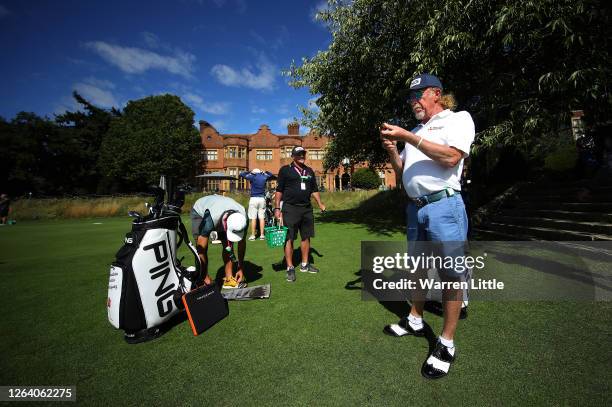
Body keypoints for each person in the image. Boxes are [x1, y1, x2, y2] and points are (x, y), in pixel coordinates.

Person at [380, 73, 475, 379]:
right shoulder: (418, 130)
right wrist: (395, 151)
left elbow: (450, 158)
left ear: (436, 93)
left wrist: (407, 136)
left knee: (450, 274)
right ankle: (415, 318)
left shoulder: (457, 119)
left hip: (444, 206)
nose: (413, 101)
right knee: (417, 269)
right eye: (410, 97)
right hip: (415, 208)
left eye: (418, 95)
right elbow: (403, 174)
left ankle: (446, 343)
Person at [274, 146, 326, 282]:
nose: (302, 156)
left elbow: (314, 189)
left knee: (306, 237)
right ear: (293, 156)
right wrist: (277, 209)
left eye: (303, 154)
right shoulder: (285, 170)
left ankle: (304, 264)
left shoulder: (309, 171)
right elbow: (279, 190)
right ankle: (290, 267)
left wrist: (320, 203)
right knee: (289, 238)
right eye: (299, 154)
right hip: (290, 208)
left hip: (306, 208)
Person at [191, 194, 248, 289]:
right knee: (200, 245)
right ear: (226, 224)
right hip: (200, 210)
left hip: (221, 209)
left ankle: (229, 279)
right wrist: (205, 275)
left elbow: (242, 243)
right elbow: (201, 247)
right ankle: (202, 277)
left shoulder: (243, 217)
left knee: (228, 243)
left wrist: (240, 268)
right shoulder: (211, 218)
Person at [239, 168, 273, 240]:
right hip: (262, 199)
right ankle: (262, 235)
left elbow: (241, 174)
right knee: (262, 218)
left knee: (253, 218)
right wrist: (264, 172)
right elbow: (270, 174)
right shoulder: (263, 176)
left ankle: (253, 235)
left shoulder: (252, 176)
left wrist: (250, 172)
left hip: (254, 198)